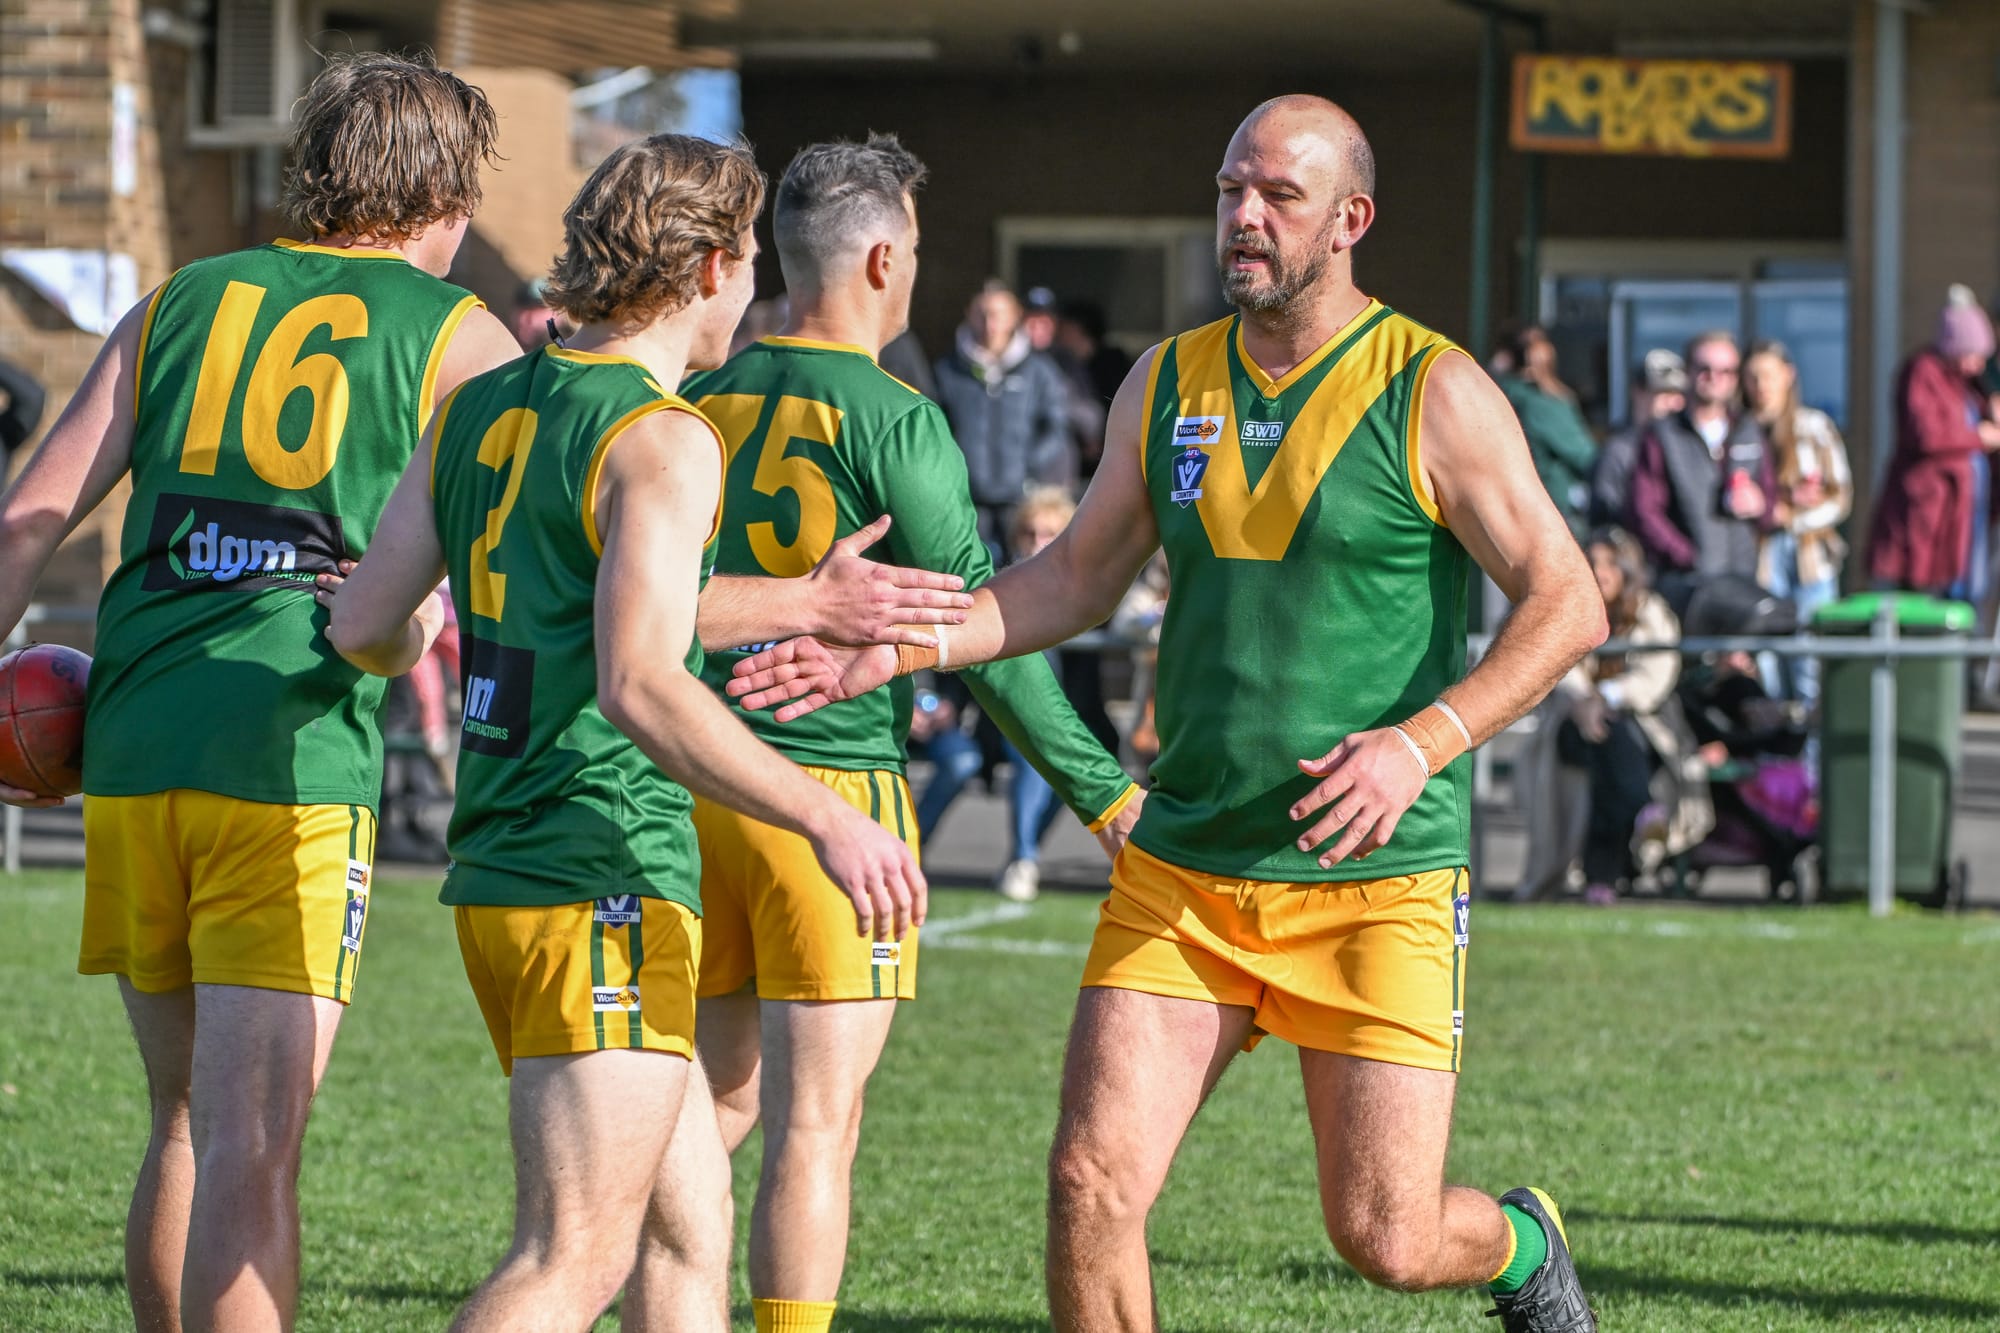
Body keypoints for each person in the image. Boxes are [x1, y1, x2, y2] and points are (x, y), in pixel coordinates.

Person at [730, 95, 1606, 1331]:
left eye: (1276, 197)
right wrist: (908, 642)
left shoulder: (1436, 388)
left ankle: (1520, 1245)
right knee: (1088, 1184)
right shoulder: (1167, 377)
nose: (1241, 217)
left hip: (1377, 875)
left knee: (1386, 1233)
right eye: (1227, 188)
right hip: (1185, 864)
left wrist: (1421, 743)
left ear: (1351, 219)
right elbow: (1073, 578)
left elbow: (1566, 603)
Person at [325, 133, 929, 1333]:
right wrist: (828, 817)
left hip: (498, 866)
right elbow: (640, 683)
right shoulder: (663, 435)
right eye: (750, 259)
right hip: (600, 868)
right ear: (709, 267)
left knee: (687, 1228)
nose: (753, 287)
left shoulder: (483, 404)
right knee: (571, 1262)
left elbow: (360, 625)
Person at [0, 53, 520, 1332]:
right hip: (284, 762)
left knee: (179, 1123)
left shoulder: (178, 298)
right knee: (254, 1146)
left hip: (126, 745)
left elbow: (28, 519)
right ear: (441, 194)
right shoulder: (462, 337)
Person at [672, 134, 1140, 1333]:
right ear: (883, 256)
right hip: (831, 800)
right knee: (814, 1125)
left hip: (686, 782)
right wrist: (1103, 793)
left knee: (705, 1111)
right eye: (918, 249)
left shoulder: (694, 397)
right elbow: (975, 624)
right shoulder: (895, 414)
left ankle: (589, 1284)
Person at [1518, 529, 1709, 905]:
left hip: (1640, 727)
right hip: (1573, 724)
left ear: (1627, 569)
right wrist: (1586, 701)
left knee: (1612, 749)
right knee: (1608, 742)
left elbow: (1656, 674)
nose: (1600, 572)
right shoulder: (1569, 607)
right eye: (1592, 563)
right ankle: (1642, 812)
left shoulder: (1650, 610)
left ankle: (1601, 877)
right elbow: (1558, 665)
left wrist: (1605, 697)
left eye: (1610, 563)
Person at [1630, 331, 1777, 614]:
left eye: (1726, 371)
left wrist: (1760, 505)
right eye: (1705, 369)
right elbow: (1644, 511)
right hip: (1687, 587)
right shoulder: (1664, 434)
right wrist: (1688, 556)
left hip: (1742, 580)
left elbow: (1771, 503)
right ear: (1688, 372)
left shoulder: (1748, 430)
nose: (1714, 378)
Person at [1867, 285, 2000, 597]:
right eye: (1972, 356)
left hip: (1962, 520)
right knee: (1922, 600)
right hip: (1925, 517)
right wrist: (1977, 436)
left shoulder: (1965, 385)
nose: (1978, 365)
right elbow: (1926, 434)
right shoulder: (1923, 374)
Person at [1743, 339, 1852, 703]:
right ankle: (1777, 754)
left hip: (1808, 559)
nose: (1761, 385)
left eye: (1769, 375)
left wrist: (1790, 516)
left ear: (1788, 376)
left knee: (1810, 667)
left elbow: (1840, 497)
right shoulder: (1740, 431)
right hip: (1758, 556)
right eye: (1753, 376)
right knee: (1767, 665)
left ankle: (1811, 758)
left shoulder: (1813, 427)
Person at [933, 279, 1076, 549]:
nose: (989, 324)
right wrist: (956, 471)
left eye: (997, 314)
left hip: (1021, 499)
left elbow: (1056, 427)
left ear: (1014, 317)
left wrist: (1026, 465)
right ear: (969, 314)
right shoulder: (947, 370)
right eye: (982, 314)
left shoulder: (1039, 371)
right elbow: (936, 430)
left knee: (1021, 574)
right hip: (968, 498)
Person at [1498, 323, 1598, 537]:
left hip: (1509, 511)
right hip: (1551, 511)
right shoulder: (1542, 404)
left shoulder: (1496, 393)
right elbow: (1585, 457)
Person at [1589, 348, 1687, 528]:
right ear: (1638, 392)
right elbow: (1605, 516)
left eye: (1679, 394)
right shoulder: (1619, 450)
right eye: (1664, 393)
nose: (1675, 403)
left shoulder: (1688, 444)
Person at [1055, 301, 1134, 478]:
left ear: (1078, 329)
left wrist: (1102, 439)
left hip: (1114, 454)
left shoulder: (1114, 363)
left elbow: (1125, 407)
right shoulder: (1060, 363)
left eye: (1063, 327)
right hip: (1073, 462)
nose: (1058, 333)